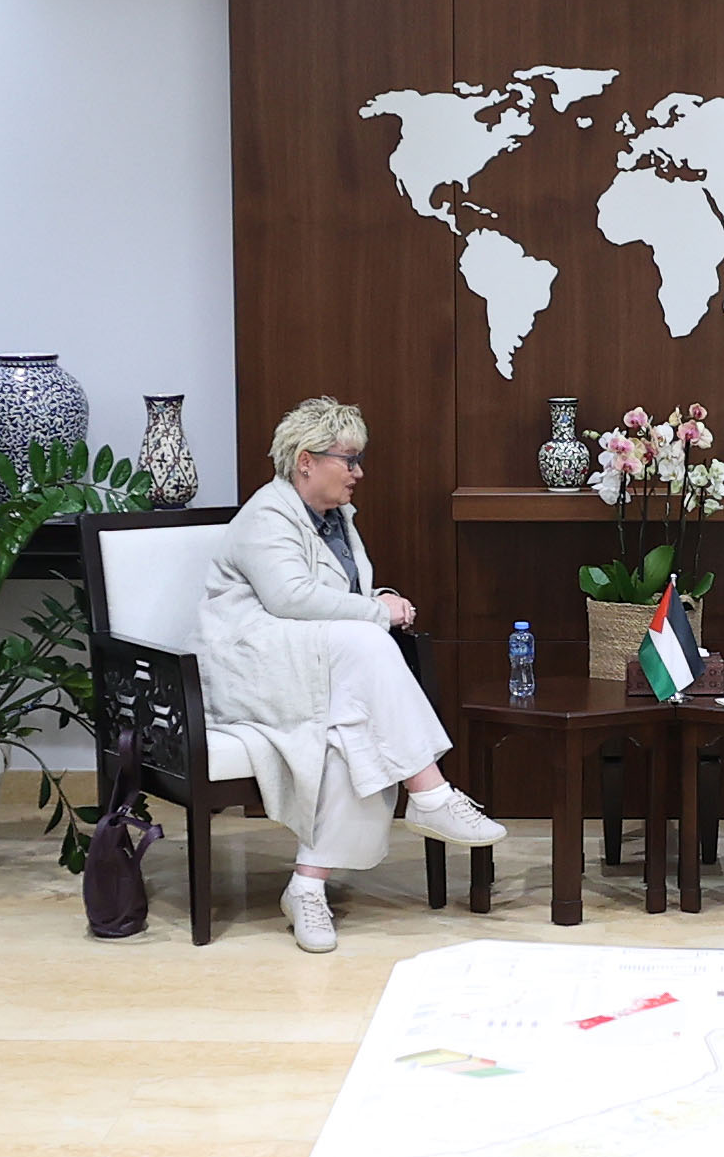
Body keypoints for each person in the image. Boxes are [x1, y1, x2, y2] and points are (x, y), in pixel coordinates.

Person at [203, 396, 512, 954]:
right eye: (348, 460)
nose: (358, 473)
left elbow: (336, 594)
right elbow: (290, 598)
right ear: (305, 461)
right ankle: (430, 794)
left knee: (354, 736)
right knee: (368, 641)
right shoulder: (266, 516)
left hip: (310, 662)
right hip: (251, 665)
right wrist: (376, 613)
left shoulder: (337, 518)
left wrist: (380, 600)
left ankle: (306, 887)